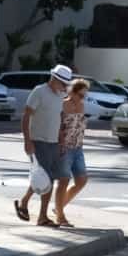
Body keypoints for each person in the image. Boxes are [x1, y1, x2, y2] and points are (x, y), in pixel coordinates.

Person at [15, 64, 73, 226]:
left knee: (48, 177)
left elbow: (60, 118)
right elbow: (26, 116)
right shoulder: (39, 91)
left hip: (54, 142)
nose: (64, 87)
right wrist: (27, 141)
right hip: (39, 141)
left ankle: (24, 202)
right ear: (54, 79)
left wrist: (62, 141)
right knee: (46, 179)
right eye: (63, 83)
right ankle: (42, 217)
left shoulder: (60, 96)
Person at [52, 78, 92, 227]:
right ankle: (60, 216)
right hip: (64, 147)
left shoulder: (81, 106)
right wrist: (60, 144)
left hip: (78, 148)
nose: (83, 98)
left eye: (84, 95)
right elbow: (58, 126)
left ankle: (58, 207)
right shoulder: (63, 105)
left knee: (82, 180)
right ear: (72, 92)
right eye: (80, 95)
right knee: (63, 181)